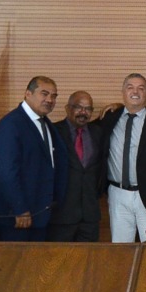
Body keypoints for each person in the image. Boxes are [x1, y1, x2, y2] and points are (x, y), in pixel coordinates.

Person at [0, 76, 68, 242]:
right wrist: (20, 209)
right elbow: (6, 172)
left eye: (54, 96)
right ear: (28, 94)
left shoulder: (46, 124)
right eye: (44, 94)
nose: (50, 100)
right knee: (14, 265)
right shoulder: (11, 124)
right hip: (17, 217)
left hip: (39, 214)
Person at [101, 73, 146, 243]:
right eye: (130, 87)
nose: (135, 92)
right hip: (117, 194)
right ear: (123, 92)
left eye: (141, 88)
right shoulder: (109, 118)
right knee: (121, 250)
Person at [49, 90, 103, 242]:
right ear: (68, 109)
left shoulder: (98, 132)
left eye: (88, 109)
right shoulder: (53, 132)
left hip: (90, 217)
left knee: (89, 262)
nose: (83, 112)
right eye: (78, 107)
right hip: (60, 215)